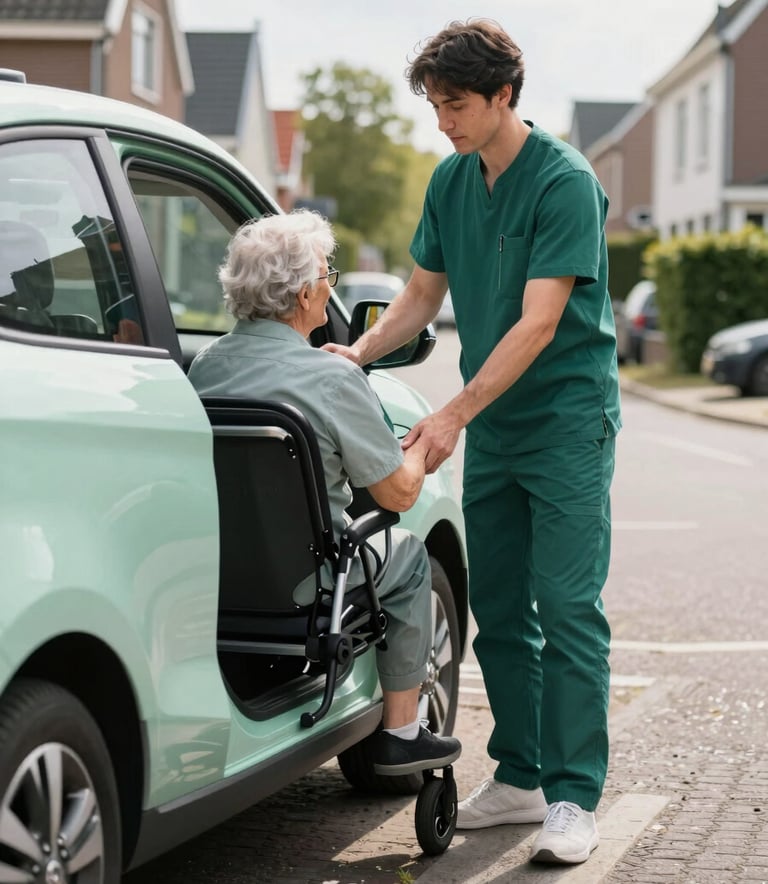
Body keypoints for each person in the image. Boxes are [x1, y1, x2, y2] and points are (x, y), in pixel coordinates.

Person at [322, 18, 621, 866]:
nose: (442, 121)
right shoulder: (452, 181)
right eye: (435, 106)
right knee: (500, 612)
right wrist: (360, 349)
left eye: (455, 104)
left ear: (503, 96)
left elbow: (537, 324)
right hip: (496, 429)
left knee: (567, 609)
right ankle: (521, 777)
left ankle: (570, 796)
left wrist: (451, 413)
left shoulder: (564, 180)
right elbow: (420, 296)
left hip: (565, 425)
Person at [188, 209, 461, 776]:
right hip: (307, 586)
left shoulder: (203, 368)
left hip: (217, 576)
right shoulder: (333, 379)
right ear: (307, 294)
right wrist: (421, 445)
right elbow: (399, 495)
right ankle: (403, 734)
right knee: (409, 557)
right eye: (326, 276)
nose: (328, 286)